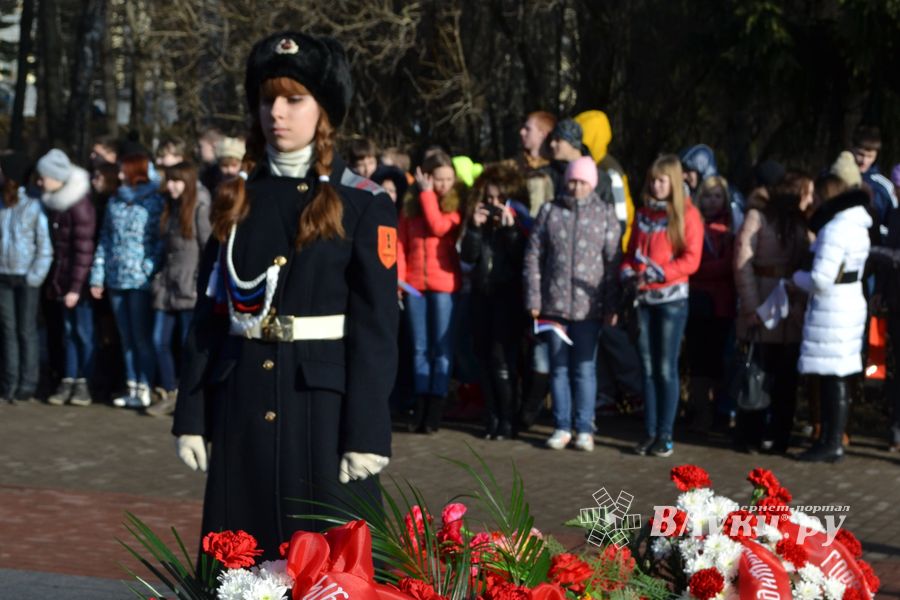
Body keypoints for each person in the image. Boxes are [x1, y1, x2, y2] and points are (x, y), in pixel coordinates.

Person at [172, 31, 398, 560]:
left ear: (324, 110)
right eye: (268, 98)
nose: (278, 112)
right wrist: (192, 414)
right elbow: (210, 316)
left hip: (321, 412)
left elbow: (377, 329)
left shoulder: (362, 204)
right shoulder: (236, 198)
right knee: (242, 565)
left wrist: (368, 431)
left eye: (295, 99)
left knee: (332, 568)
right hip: (242, 404)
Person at [524, 156, 622, 452]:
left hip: (588, 308)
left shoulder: (605, 214)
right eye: (572, 180)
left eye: (582, 181)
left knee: (584, 368)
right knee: (558, 368)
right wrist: (534, 298)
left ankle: (584, 426)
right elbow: (533, 256)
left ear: (592, 183)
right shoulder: (550, 211)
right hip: (553, 306)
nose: (576, 186)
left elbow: (612, 263)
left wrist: (611, 305)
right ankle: (561, 425)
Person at [622, 155, 703, 457]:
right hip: (642, 298)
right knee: (647, 367)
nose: (656, 186)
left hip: (671, 300)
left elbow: (692, 258)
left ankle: (665, 435)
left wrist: (663, 271)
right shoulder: (644, 214)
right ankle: (650, 431)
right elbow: (631, 251)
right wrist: (628, 269)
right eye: (653, 180)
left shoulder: (687, 214)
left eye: (662, 180)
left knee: (665, 367)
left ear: (674, 181)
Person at [791, 162, 871, 462]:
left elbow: (821, 278)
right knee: (836, 375)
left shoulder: (836, 228)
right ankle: (830, 438)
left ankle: (830, 441)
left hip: (834, 308)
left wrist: (794, 279)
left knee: (831, 377)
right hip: (848, 301)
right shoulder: (857, 224)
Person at [733, 172, 812, 454]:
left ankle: (780, 436)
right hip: (764, 305)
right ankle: (749, 435)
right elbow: (743, 262)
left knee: (786, 378)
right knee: (757, 372)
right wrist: (752, 306)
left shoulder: (801, 223)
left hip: (790, 306)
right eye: (807, 193)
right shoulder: (758, 218)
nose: (811, 199)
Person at [459, 162, 528, 440]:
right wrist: (475, 230)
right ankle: (493, 416)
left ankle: (507, 418)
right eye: (488, 199)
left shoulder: (518, 223)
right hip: (481, 295)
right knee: (483, 358)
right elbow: (467, 258)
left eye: (500, 199)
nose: (493, 204)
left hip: (506, 297)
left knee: (502, 359)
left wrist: (511, 231)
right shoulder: (478, 223)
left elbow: (521, 260)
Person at [89, 153, 164, 408]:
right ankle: (131, 385)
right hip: (116, 277)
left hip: (140, 280)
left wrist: (147, 266)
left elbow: (159, 239)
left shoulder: (154, 201)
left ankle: (146, 385)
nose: (119, 175)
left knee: (141, 336)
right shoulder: (115, 202)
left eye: (123, 170)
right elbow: (105, 239)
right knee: (125, 336)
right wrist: (98, 276)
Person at [397, 151, 464, 433]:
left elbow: (438, 227)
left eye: (449, 179)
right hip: (414, 286)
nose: (444, 184)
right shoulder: (410, 207)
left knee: (442, 348)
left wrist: (427, 196)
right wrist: (399, 281)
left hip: (444, 285)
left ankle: (436, 407)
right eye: (438, 179)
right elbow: (400, 242)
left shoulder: (454, 206)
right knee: (420, 348)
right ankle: (420, 408)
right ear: (426, 176)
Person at [147, 162, 211, 417]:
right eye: (168, 180)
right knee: (158, 340)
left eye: (176, 181)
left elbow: (209, 248)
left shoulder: (200, 207)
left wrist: (199, 283)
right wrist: (159, 277)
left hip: (190, 290)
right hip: (167, 287)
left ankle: (188, 396)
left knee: (188, 345)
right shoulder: (170, 207)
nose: (170, 186)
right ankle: (170, 390)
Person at [37, 150, 97, 407]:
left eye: (44, 177)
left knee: (83, 332)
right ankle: (69, 378)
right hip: (63, 281)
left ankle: (86, 380)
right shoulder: (56, 203)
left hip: (78, 284)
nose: (40, 182)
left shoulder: (79, 206)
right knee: (69, 333)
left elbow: (83, 252)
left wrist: (75, 288)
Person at [0, 152, 52, 404]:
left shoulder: (33, 204)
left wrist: (34, 276)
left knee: (26, 330)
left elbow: (44, 246)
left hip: (26, 276)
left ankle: (28, 383)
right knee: (8, 331)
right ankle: (9, 382)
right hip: (3, 276)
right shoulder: (1, 203)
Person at [684, 175, 736, 430]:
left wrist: (700, 268)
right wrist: (697, 269)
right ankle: (700, 411)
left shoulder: (733, 226)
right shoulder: (691, 224)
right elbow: (688, 264)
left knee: (721, 359)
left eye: (718, 195)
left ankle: (722, 412)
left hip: (724, 302)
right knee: (699, 359)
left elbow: (730, 265)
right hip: (698, 301)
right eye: (707, 195)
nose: (713, 201)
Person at [680, 144, 745, 230]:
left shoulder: (733, 199)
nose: (683, 176)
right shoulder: (686, 195)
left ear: (702, 170)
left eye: (688, 171)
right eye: (707, 196)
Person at [850, 126, 897, 241]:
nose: (864, 161)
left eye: (870, 156)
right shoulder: (833, 177)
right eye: (860, 154)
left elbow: (893, 221)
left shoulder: (884, 187)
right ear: (852, 149)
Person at [517, 111, 556, 216]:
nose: (522, 132)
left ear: (542, 134)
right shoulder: (516, 165)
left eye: (528, 129)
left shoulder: (556, 170)